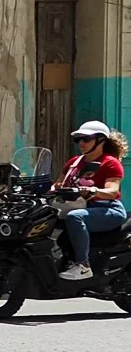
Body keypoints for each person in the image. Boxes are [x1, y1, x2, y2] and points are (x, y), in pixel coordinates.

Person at [57, 120, 127, 281]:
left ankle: (83, 265)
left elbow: (112, 191)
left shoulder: (110, 163)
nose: (81, 143)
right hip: (78, 206)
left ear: (101, 140)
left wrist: (95, 190)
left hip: (108, 209)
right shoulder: (74, 162)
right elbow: (58, 184)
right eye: (78, 139)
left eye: (86, 139)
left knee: (75, 217)